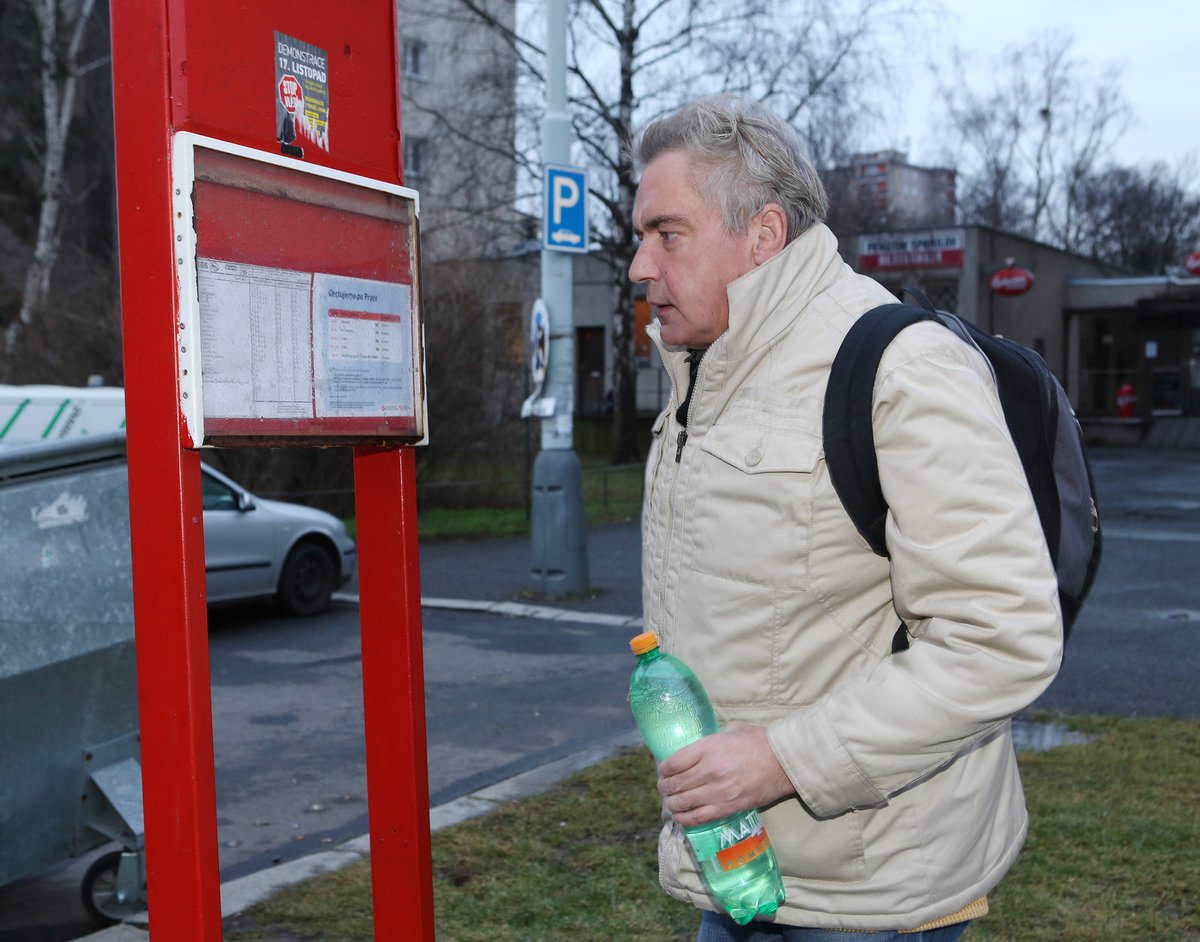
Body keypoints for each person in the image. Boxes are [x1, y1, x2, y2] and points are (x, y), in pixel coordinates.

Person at [628, 95, 1063, 941]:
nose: (641, 266)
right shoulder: (707, 375)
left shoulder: (901, 368)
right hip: (747, 872)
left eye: (667, 234)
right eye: (639, 237)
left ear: (762, 234)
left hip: (871, 897)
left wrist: (781, 760)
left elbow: (1002, 636)